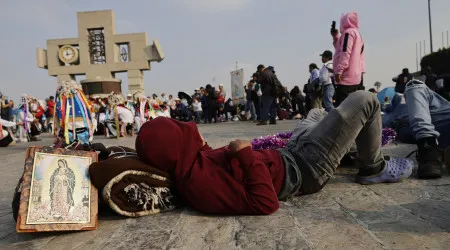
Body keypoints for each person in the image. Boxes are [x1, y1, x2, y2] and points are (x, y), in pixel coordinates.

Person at [136, 91, 413, 215]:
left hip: (291, 152)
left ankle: (348, 148)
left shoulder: (192, 162)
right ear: (174, 149)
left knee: (316, 112)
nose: (188, 128)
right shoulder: (201, 186)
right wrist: (245, 156)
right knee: (365, 101)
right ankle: (373, 167)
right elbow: (265, 203)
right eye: (179, 130)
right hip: (306, 168)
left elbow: (209, 155)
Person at [404, 76, 450, 179]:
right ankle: (428, 146)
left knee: (414, 86)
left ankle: (428, 146)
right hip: (433, 112)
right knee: (415, 86)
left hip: (401, 125)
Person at [331, 11, 366, 106]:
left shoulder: (348, 33)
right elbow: (343, 49)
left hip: (346, 77)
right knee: (354, 108)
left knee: (342, 108)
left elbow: (345, 52)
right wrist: (336, 37)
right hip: (356, 76)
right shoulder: (357, 34)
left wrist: (339, 71)